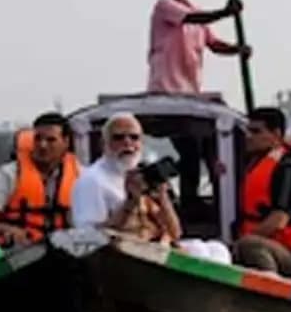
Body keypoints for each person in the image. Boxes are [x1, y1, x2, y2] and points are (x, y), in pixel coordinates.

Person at [70, 112, 231, 264]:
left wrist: (162, 196)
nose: (128, 143)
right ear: (104, 144)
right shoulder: (92, 180)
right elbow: (89, 238)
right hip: (123, 258)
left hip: (156, 249)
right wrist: (130, 202)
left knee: (216, 250)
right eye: (118, 138)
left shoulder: (142, 174)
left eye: (134, 138)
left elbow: (176, 233)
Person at [234, 107, 291, 278]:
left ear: (276, 134)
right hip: (276, 246)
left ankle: (270, 292)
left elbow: (278, 220)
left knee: (249, 245)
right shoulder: (255, 162)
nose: (248, 136)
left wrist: (237, 243)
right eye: (247, 131)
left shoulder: (288, 168)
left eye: (256, 131)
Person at [0, 112, 81, 247]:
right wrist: (8, 230)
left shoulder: (80, 175)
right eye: (37, 139)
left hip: (65, 251)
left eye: (51, 140)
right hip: (20, 252)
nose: (42, 145)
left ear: (66, 142)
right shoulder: (10, 173)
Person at [147, 0, 251, 94]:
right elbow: (193, 18)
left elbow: (214, 44)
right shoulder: (164, 5)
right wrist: (226, 12)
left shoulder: (194, 11)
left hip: (189, 89)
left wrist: (237, 49)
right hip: (164, 89)